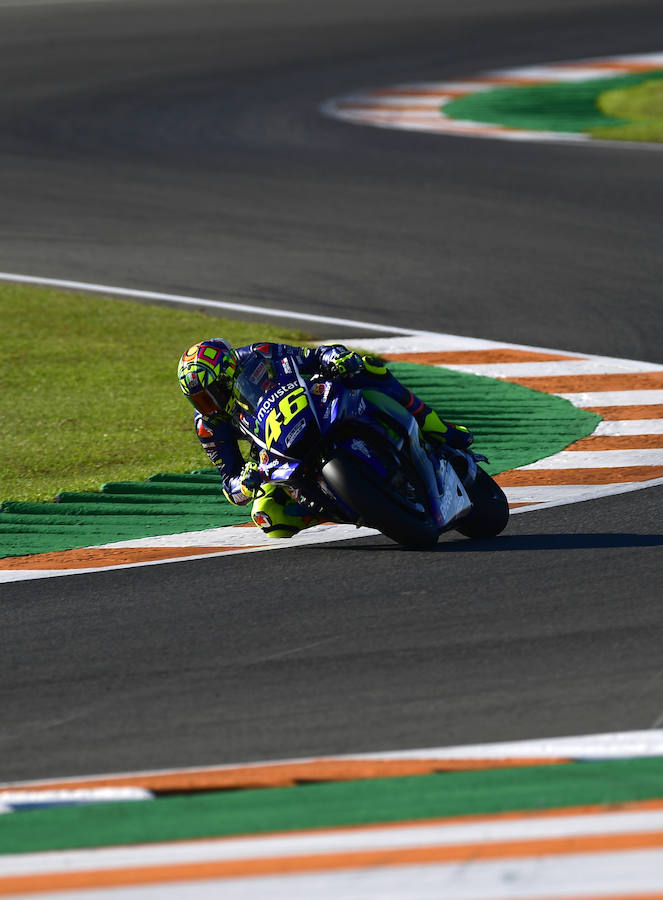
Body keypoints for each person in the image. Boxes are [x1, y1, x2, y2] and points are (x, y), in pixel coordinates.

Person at [178, 339, 474, 538]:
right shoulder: (208, 425)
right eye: (199, 401)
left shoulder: (259, 354)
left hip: (311, 408)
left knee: (366, 369)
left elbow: (312, 356)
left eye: (210, 394)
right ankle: (341, 506)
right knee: (267, 517)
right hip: (278, 453)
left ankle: (435, 425)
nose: (209, 406)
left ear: (228, 374)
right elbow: (229, 484)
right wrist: (244, 483)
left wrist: (337, 358)